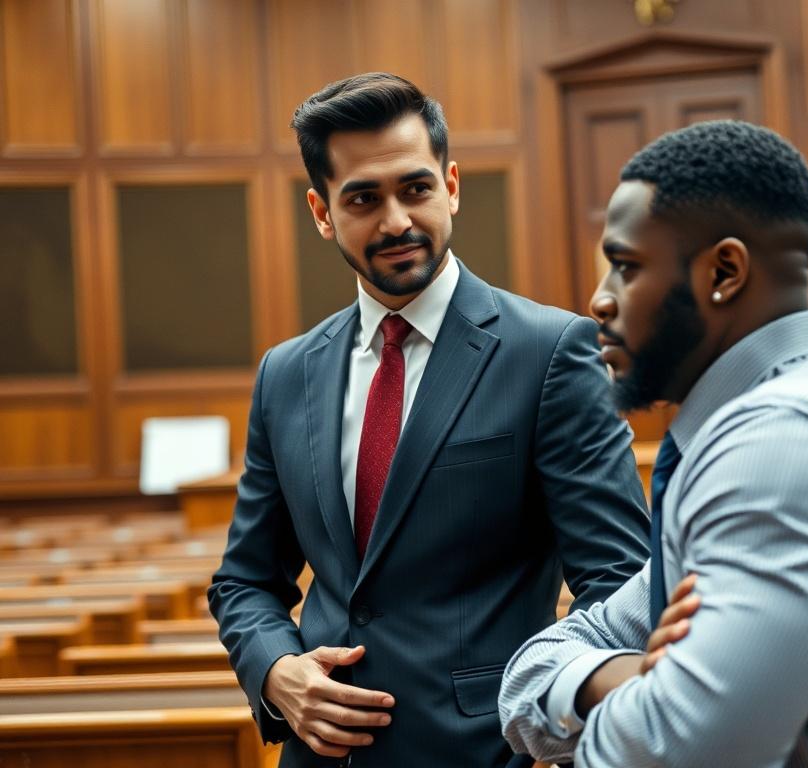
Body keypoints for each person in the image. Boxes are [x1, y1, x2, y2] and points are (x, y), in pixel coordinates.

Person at [499, 120, 808, 767]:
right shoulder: (751, 439)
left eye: (625, 267)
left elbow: (674, 754)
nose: (599, 300)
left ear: (725, 272)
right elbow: (525, 679)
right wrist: (627, 679)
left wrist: (625, 696)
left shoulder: (789, 453)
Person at [207, 72, 649, 768]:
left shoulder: (551, 353)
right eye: (362, 198)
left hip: (491, 751)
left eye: (414, 189)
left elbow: (620, 583)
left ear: (451, 185)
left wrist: (563, 726)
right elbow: (245, 580)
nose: (395, 221)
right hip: (320, 756)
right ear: (322, 213)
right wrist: (275, 673)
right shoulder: (284, 374)